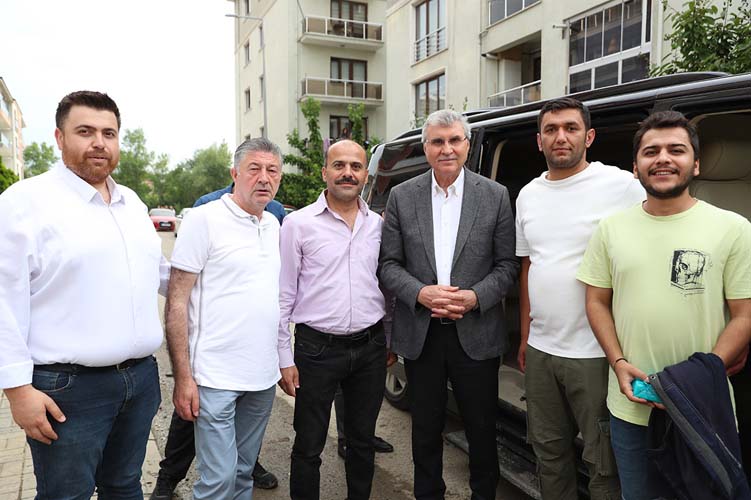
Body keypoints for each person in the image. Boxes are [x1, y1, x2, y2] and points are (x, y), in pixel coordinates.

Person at [0, 90, 168, 498]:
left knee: (124, 486)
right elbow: (3, 299)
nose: (99, 143)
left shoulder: (131, 202)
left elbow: (159, 274)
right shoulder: (25, 202)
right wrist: (18, 391)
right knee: (66, 495)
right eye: (85, 131)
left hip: (139, 382)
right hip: (68, 391)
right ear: (59, 138)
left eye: (109, 133)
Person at [577, 110, 751, 500]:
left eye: (676, 149)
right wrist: (618, 363)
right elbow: (596, 301)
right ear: (635, 167)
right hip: (631, 405)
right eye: (651, 151)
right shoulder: (610, 229)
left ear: (696, 163)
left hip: (703, 406)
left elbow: (744, 315)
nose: (663, 159)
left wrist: (703, 374)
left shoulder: (734, 228)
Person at [379, 109, 519, 499]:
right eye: (437, 141)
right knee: (425, 428)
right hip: (422, 334)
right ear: (425, 147)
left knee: (481, 428)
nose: (447, 149)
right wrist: (419, 293)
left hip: (476, 332)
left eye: (455, 140)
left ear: (467, 145)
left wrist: (475, 297)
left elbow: (507, 266)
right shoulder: (402, 196)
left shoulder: (494, 195)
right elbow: (388, 265)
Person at [515, 97, 644, 499]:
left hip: (595, 352)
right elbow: (530, 266)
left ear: (588, 137)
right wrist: (525, 336)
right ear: (539, 140)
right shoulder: (528, 194)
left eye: (570, 128)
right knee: (548, 452)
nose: (561, 137)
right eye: (551, 130)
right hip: (541, 350)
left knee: (602, 460)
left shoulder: (621, 186)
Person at [165, 137, 284, 499]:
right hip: (214, 377)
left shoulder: (273, 225)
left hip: (261, 378)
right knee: (217, 479)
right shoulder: (204, 220)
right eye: (254, 169)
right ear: (234, 173)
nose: (264, 178)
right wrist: (183, 377)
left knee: (243, 473)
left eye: (272, 170)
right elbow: (176, 302)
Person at [278, 140, 388, 500]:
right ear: (325, 172)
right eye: (339, 165)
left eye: (355, 166)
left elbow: (387, 284)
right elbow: (283, 294)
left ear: (366, 174)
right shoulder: (297, 224)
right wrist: (284, 357)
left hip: (370, 348)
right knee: (309, 444)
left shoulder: (378, 225)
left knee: (362, 442)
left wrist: (389, 339)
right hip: (316, 350)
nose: (347, 173)